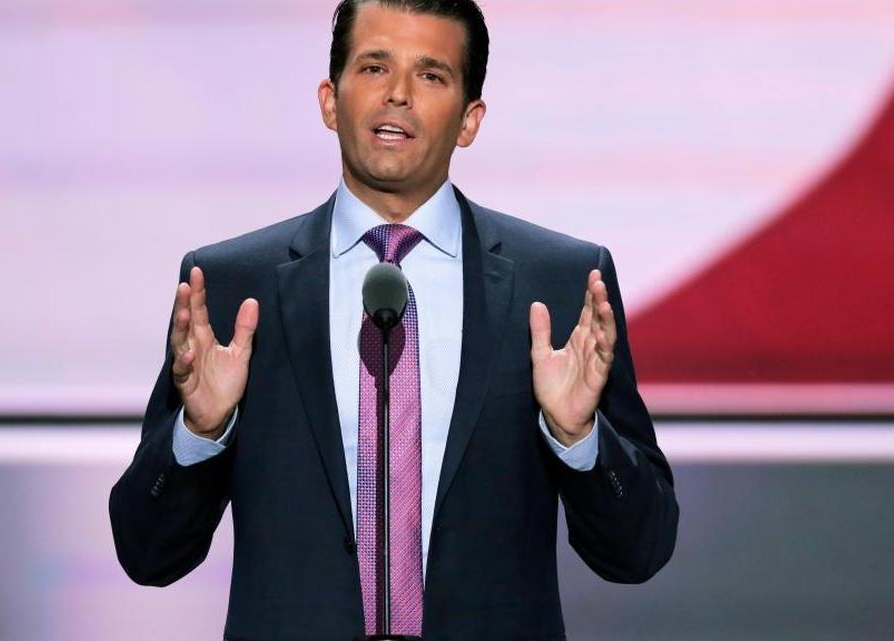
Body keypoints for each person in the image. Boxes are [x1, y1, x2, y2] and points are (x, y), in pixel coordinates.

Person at [109, 1, 678, 639]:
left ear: (470, 121)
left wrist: (578, 439)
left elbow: (640, 552)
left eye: (431, 75)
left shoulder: (561, 284)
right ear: (330, 100)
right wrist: (199, 432)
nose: (398, 95)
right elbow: (147, 553)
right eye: (375, 66)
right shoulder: (233, 289)